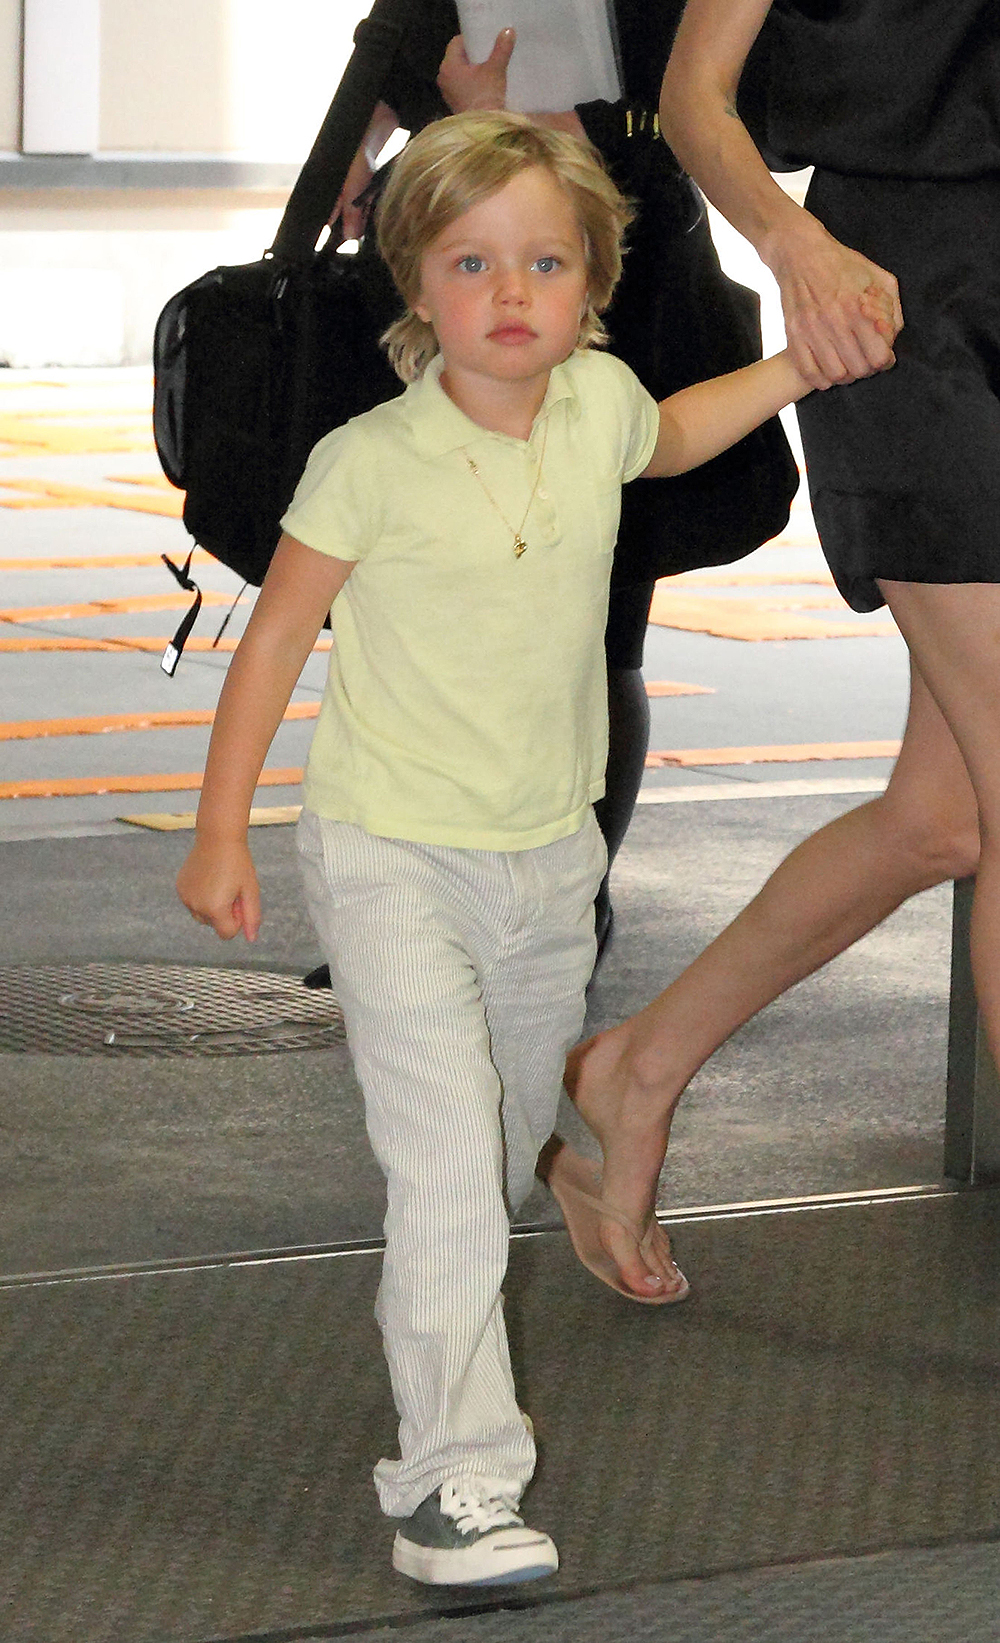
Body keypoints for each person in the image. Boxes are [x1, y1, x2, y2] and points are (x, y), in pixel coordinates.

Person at [176, 109, 841, 1585]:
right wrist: (223, 829)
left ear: (592, 283)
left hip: (548, 858)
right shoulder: (370, 460)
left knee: (495, 1164)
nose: (511, 291)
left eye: (546, 260)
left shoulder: (601, 400)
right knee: (444, 1180)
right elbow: (278, 633)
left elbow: (670, 435)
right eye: (473, 261)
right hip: (391, 850)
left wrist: (796, 365)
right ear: (418, 281)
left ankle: (498, 1246)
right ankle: (453, 1483)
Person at [545, 0, 1000, 1304]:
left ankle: (638, 1063)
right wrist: (793, 245)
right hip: (903, 307)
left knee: (944, 812)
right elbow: (698, 92)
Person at [300, 0, 798, 982]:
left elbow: (731, 98)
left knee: (598, 619)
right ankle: (424, 911)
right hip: (471, 284)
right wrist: (355, 148)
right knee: (429, 611)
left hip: (623, 282)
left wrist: (579, 127)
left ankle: (570, 899)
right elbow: (401, 37)